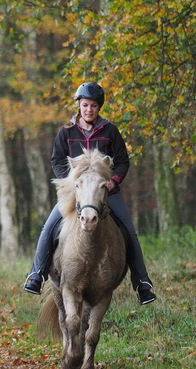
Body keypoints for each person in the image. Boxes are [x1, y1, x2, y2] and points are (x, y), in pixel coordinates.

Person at [23, 82, 156, 305]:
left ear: (98, 108)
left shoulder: (110, 131)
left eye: (93, 106)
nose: (88, 110)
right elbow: (56, 160)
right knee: (49, 227)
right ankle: (36, 274)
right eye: (85, 105)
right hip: (76, 193)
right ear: (79, 106)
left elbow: (122, 161)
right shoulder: (66, 132)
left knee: (129, 231)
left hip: (106, 192)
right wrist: (72, 182)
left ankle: (142, 283)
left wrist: (113, 181)